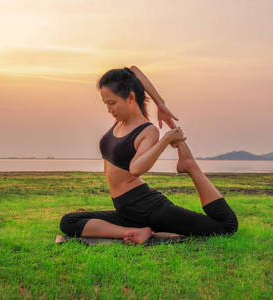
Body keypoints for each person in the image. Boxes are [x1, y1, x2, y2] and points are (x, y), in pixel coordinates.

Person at [60, 66, 238, 244]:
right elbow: (133, 70)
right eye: (105, 103)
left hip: (147, 207)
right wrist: (160, 104)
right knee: (69, 222)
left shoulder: (148, 130)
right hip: (126, 209)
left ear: (130, 98)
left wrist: (166, 139)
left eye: (112, 103)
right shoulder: (120, 121)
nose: (109, 109)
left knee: (226, 226)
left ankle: (190, 165)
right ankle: (134, 231)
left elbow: (136, 168)